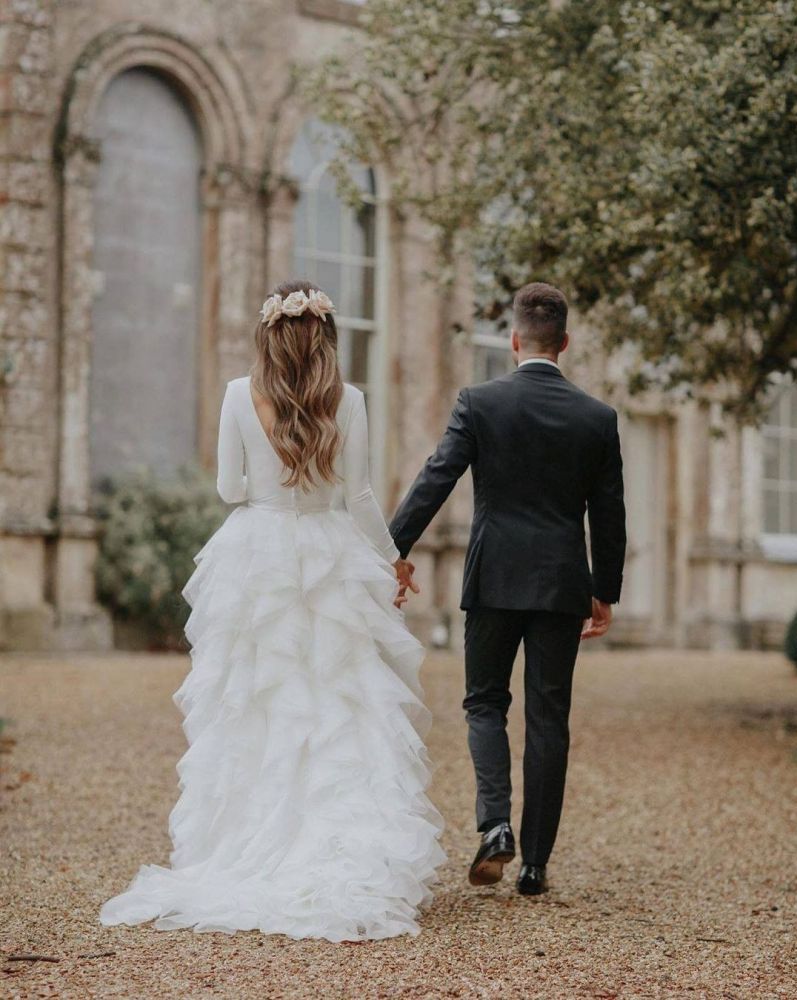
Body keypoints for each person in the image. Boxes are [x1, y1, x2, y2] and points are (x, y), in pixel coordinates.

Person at [99, 281, 445, 941]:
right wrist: (394, 561)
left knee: (254, 705)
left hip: (256, 556)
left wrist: (267, 483)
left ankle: (247, 843)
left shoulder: (237, 395)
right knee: (337, 706)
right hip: (330, 553)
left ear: (268, 335)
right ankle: (337, 845)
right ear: (326, 337)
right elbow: (362, 496)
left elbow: (231, 488)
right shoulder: (350, 401)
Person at [389, 281, 626, 896]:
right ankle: (536, 865)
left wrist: (392, 550)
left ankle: (495, 825)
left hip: (493, 577)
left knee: (484, 703)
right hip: (561, 584)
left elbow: (435, 478)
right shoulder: (597, 419)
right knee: (550, 718)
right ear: (565, 343)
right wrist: (605, 590)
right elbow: (609, 514)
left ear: (514, 340)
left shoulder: (480, 402)